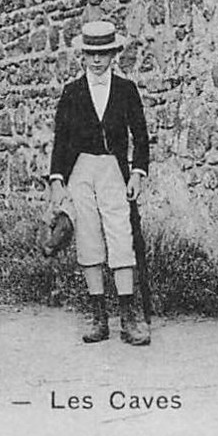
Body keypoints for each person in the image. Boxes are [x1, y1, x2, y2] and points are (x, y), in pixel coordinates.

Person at [46, 19, 152, 346]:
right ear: (83, 55)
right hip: (81, 170)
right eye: (91, 54)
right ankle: (97, 315)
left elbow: (142, 137)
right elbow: (61, 139)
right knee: (89, 237)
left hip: (112, 170)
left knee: (121, 235)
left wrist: (137, 172)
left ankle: (129, 316)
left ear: (114, 54)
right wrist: (57, 180)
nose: (97, 60)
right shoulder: (73, 92)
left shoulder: (126, 90)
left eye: (103, 53)